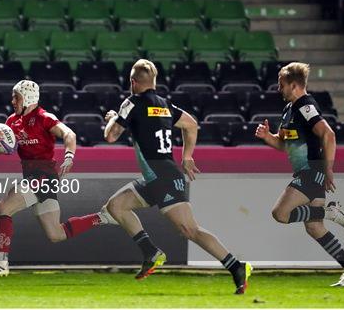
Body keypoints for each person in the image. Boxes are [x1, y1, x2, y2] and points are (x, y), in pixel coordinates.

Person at [102, 59, 252, 294]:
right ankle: (151, 252)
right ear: (154, 81)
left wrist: (112, 117)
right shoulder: (164, 105)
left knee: (190, 230)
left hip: (164, 178)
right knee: (116, 206)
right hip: (158, 176)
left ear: (132, 82)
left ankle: (236, 266)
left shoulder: (131, 103)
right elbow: (191, 124)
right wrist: (187, 155)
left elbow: (110, 136)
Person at [0, 80, 115, 276]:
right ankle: (103, 217)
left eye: (17, 97)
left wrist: (69, 156)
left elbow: (69, 134)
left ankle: (1, 263)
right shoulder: (11, 122)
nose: (12, 100)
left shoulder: (44, 117)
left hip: (44, 176)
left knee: (2, 208)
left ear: (28, 98)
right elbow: (3, 150)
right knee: (56, 234)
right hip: (34, 176)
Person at [255, 62, 344, 286]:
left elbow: (329, 134)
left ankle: (328, 211)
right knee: (314, 227)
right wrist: (268, 137)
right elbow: (285, 145)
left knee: (280, 214)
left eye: (281, 84)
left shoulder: (306, 105)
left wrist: (329, 167)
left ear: (294, 85)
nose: (278, 89)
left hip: (311, 170)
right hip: (306, 170)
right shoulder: (289, 109)